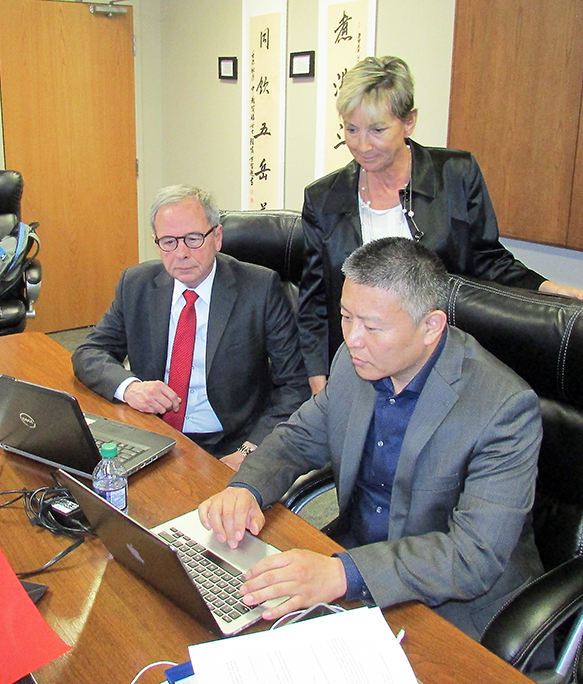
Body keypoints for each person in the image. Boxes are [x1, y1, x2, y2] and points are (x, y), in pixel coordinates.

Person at [199, 237, 544, 640]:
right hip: (351, 564)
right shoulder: (353, 363)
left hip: (451, 604)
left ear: (431, 326)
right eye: (346, 317)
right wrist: (247, 488)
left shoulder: (503, 408)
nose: (352, 339)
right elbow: (296, 439)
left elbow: (473, 557)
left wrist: (343, 573)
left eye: (372, 326)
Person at [299, 55, 583, 394]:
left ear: (409, 122)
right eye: (351, 129)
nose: (362, 145)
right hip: (360, 364)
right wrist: (321, 388)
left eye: (377, 130)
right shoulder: (324, 199)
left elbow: (489, 260)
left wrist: (551, 289)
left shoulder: (455, 175)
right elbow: (315, 304)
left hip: (440, 360)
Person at [72, 185, 310, 471]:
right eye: (169, 242)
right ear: (156, 242)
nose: (181, 253)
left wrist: (249, 450)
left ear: (217, 237)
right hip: (152, 431)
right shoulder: (136, 284)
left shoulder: (260, 288)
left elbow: (294, 386)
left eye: (193, 239)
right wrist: (130, 388)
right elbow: (89, 351)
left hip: (229, 442)